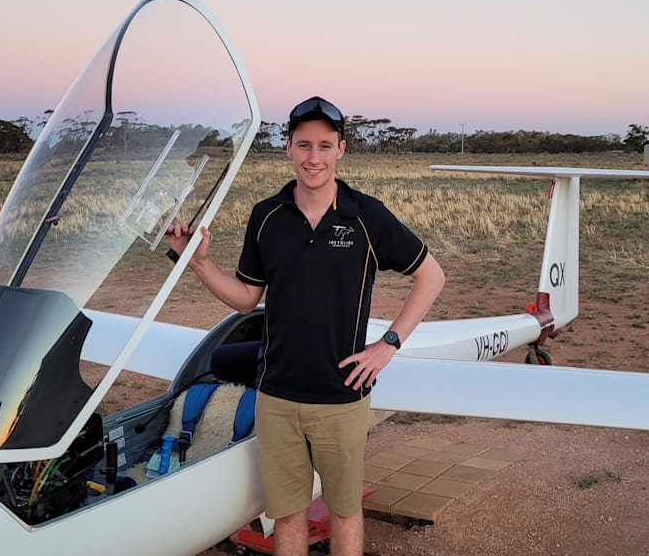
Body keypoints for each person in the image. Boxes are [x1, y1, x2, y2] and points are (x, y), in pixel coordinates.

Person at [165, 96, 445, 556]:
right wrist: (198, 263)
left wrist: (388, 344)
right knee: (288, 515)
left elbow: (431, 276)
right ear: (288, 149)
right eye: (303, 145)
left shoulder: (366, 216)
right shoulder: (267, 217)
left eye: (324, 146)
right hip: (276, 397)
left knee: (344, 513)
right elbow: (245, 299)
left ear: (341, 150)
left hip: (341, 397)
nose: (313, 157)